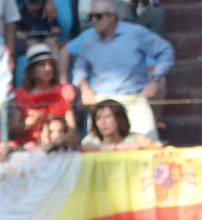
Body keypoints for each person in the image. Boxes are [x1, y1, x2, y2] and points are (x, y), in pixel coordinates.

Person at [71, 0, 173, 140]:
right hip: (102, 103)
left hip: (134, 101)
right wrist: (84, 88)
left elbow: (165, 51)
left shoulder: (135, 33)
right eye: (91, 17)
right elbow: (80, 66)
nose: (94, 21)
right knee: (96, 154)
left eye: (98, 16)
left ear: (112, 16)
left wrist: (155, 80)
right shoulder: (89, 39)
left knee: (148, 150)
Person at [10, 42, 76, 146]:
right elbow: (12, 133)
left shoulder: (64, 92)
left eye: (50, 64)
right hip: (28, 147)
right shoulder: (19, 95)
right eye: (42, 65)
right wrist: (28, 122)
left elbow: (72, 129)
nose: (48, 69)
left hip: (59, 147)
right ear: (31, 70)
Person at [80, 97, 159, 148]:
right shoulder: (90, 141)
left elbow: (155, 147)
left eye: (107, 117)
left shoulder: (136, 138)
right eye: (98, 118)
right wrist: (119, 147)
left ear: (119, 118)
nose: (102, 122)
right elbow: (85, 147)